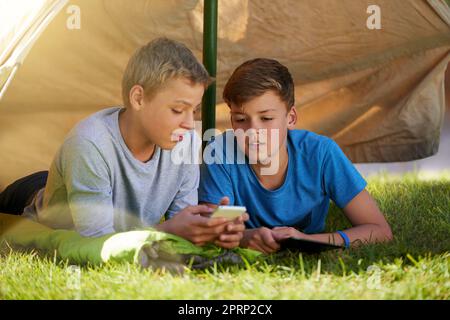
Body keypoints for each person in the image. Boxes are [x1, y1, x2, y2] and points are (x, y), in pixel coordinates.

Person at [0, 37, 246, 249]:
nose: (189, 123)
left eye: (194, 110)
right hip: (26, 195)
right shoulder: (89, 144)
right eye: (178, 109)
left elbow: (182, 220)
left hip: (77, 182)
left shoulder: (187, 140)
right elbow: (97, 240)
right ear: (138, 98)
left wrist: (209, 230)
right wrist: (168, 231)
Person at [198, 58, 393, 254]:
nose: (252, 131)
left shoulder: (321, 153)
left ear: (290, 118)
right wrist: (245, 238)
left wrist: (306, 240)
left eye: (266, 118)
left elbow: (379, 230)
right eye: (240, 119)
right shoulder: (220, 153)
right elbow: (211, 232)